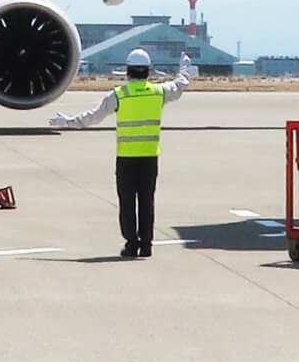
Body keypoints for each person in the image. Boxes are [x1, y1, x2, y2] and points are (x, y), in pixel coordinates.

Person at [49, 45, 194, 257]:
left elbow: (93, 117)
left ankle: (131, 244)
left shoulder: (119, 95)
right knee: (147, 201)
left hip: (126, 158)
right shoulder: (158, 92)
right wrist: (185, 69)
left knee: (127, 202)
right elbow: (180, 85)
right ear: (148, 70)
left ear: (127, 71)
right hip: (150, 156)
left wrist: (68, 122)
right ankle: (146, 245)